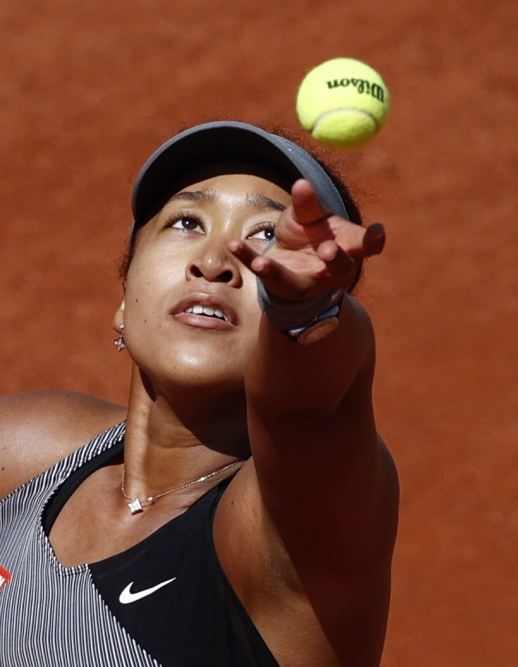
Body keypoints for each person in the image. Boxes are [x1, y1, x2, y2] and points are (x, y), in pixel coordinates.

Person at [0, 121, 398, 667]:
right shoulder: (26, 448)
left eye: (268, 237)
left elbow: (314, 411)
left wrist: (307, 317)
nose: (213, 263)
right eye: (187, 221)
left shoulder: (284, 538)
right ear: (123, 299)